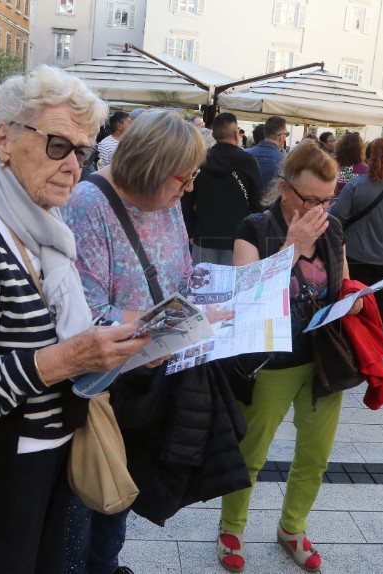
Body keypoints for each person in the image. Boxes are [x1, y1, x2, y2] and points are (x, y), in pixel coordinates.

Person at [0, 65, 151, 574]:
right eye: (59, 145)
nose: (73, 167)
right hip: (1, 467)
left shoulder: (44, 221)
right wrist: (66, 359)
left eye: (82, 151)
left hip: (59, 447)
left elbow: (53, 324)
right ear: (5, 138)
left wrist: (126, 340)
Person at [63, 108, 246, 574]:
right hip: (107, 379)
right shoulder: (89, 204)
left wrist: (216, 295)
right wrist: (168, 323)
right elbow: (84, 313)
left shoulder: (166, 201)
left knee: (126, 482)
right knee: (93, 487)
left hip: (154, 369)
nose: (188, 191)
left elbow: (181, 273)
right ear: (149, 169)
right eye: (183, 180)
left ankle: (107, 564)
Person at [218, 144, 363, 573]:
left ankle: (292, 527)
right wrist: (293, 248)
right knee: (252, 452)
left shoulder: (333, 228)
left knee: (315, 454)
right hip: (271, 361)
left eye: (327, 199)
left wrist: (352, 300)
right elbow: (248, 300)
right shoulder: (253, 229)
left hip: (324, 360)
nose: (319, 208)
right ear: (284, 189)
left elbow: (341, 280)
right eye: (309, 199)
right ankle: (232, 526)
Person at [332, 137, 383, 325]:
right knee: (379, 303)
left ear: (368, 158)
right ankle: (377, 342)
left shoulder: (355, 185)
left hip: (355, 254)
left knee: (355, 302)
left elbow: (338, 216)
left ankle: (357, 343)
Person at [182, 112, 264, 264]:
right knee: (233, 285)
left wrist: (191, 230)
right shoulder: (247, 160)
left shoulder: (200, 158)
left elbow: (187, 197)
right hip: (238, 236)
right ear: (235, 133)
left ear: (213, 134)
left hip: (204, 233)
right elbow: (257, 199)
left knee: (203, 283)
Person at [246, 115, 288, 189]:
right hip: (271, 200)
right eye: (286, 134)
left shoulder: (244, 154)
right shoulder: (285, 161)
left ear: (265, 133)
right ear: (281, 137)